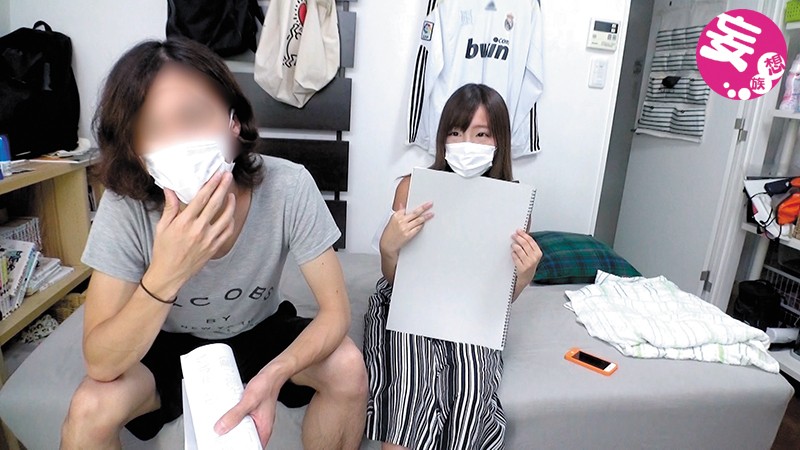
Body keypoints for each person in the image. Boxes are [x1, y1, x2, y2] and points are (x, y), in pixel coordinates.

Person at [60, 38, 367, 450]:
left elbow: (336, 313)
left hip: (260, 332)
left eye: (193, 117)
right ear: (136, 151)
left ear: (233, 121)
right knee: (89, 408)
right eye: (154, 129)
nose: (178, 142)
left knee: (347, 366)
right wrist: (169, 272)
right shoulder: (125, 207)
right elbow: (100, 361)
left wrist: (273, 375)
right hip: (165, 343)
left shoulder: (288, 185)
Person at [363, 83, 543, 449]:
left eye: (481, 134)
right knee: (411, 387)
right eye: (456, 132)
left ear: (499, 141)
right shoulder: (412, 187)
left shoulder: (513, 203)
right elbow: (395, 278)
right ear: (443, 137)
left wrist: (524, 277)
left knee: (472, 391)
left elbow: (499, 299)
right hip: (411, 302)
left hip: (474, 312)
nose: (466, 144)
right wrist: (388, 249)